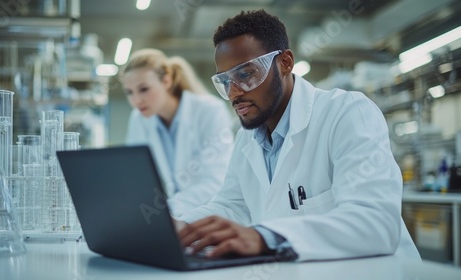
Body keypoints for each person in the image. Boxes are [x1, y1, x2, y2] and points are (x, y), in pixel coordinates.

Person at [177, 10, 421, 261]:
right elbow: (232, 206)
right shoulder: (247, 138)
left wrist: (264, 237)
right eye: (225, 82)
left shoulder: (346, 113)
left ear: (285, 63)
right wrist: (180, 229)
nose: (234, 93)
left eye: (245, 74)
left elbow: (374, 223)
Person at [122, 49, 234, 218]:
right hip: (162, 220)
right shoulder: (139, 118)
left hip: (208, 217)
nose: (136, 100)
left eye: (144, 89)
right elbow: (137, 178)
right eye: (129, 92)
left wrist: (169, 210)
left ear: (166, 81)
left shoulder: (209, 111)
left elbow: (215, 181)